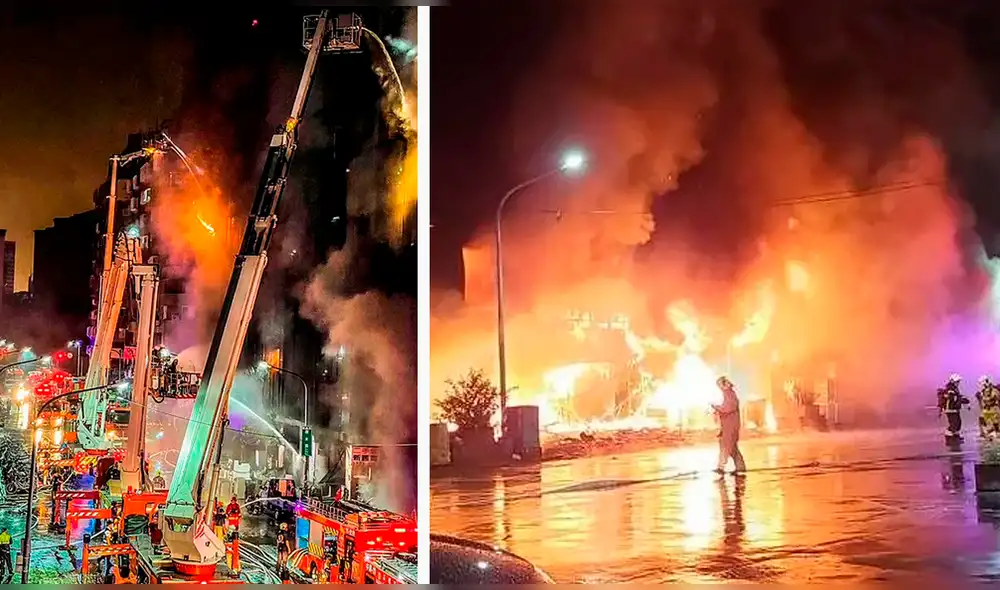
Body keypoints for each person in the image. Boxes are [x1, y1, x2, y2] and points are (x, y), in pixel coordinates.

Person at [712, 376, 747, 475]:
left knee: (726, 447)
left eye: (719, 384)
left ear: (724, 385)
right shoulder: (727, 394)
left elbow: (728, 408)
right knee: (732, 449)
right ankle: (740, 468)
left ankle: (721, 467)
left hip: (731, 427)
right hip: (728, 426)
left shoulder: (730, 394)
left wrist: (716, 407)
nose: (719, 387)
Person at [938, 374, 970, 439]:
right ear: (953, 381)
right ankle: (949, 436)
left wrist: (963, 400)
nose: (958, 383)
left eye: (958, 381)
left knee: (958, 423)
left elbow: (957, 397)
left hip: (955, 409)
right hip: (950, 410)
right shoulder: (950, 389)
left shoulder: (954, 389)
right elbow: (953, 398)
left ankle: (955, 435)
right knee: (954, 424)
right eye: (957, 381)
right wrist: (962, 400)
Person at [978, 375, 1000, 440]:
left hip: (993, 410)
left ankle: (994, 434)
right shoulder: (983, 391)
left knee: (995, 424)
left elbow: (995, 398)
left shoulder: (993, 390)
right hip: (988, 411)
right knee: (983, 420)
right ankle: (989, 434)